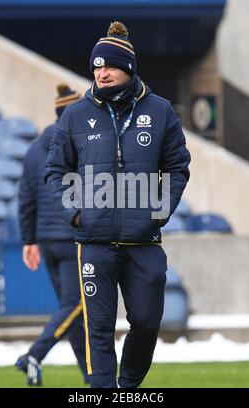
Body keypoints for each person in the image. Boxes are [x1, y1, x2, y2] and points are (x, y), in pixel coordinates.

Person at [45, 22, 191, 388]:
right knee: (98, 326)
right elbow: (55, 170)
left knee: (146, 322)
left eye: (108, 66)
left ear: (128, 67)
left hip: (144, 242)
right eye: (96, 67)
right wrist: (75, 211)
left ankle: (128, 387)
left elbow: (177, 166)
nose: (101, 73)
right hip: (93, 242)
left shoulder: (160, 111)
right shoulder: (76, 115)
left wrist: (161, 209)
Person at [15, 84, 89, 386]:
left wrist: (28, 241)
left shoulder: (35, 149)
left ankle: (91, 376)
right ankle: (34, 354)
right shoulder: (81, 143)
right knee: (76, 305)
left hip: (46, 241)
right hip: (74, 239)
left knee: (71, 314)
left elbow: (26, 199)